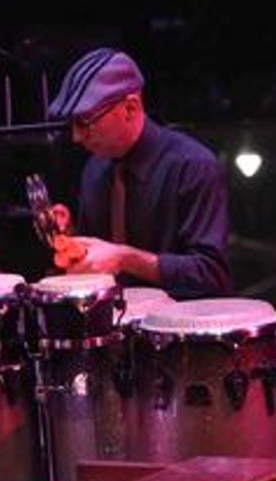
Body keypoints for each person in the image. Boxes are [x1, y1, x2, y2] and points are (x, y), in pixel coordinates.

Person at [46, 47, 232, 299]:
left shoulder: (193, 166)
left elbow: (211, 275)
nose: (77, 138)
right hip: (112, 324)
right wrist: (70, 239)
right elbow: (99, 260)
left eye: (85, 123)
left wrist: (126, 258)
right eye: (72, 125)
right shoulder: (95, 168)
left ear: (130, 108)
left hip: (177, 329)